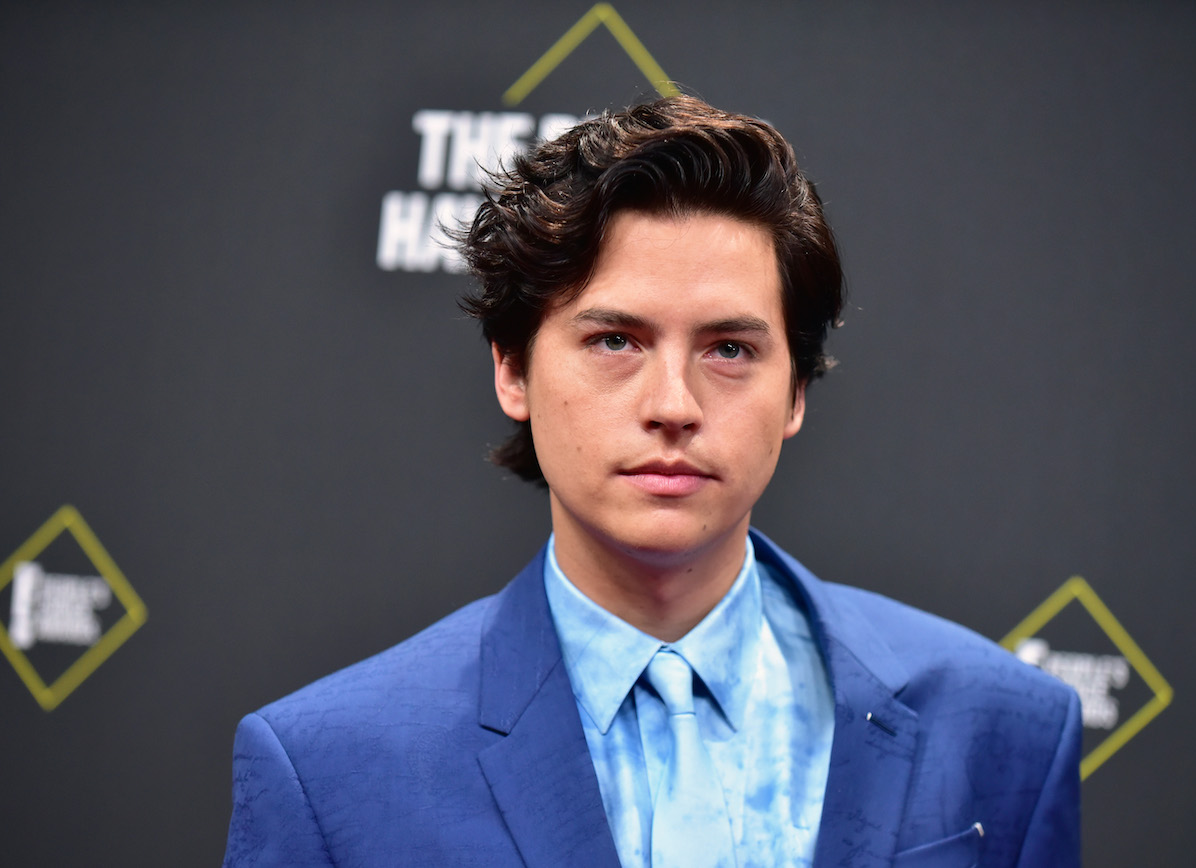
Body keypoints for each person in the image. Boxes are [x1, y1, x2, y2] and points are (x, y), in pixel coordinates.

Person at [222, 96, 1080, 868]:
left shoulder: (1004, 728)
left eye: (729, 349)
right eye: (615, 342)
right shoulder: (331, 771)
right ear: (513, 370)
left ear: (797, 391)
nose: (674, 405)